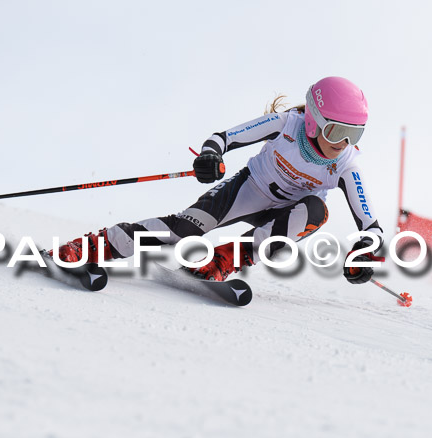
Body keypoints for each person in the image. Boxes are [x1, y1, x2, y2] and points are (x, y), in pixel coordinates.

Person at [52, 76, 384, 284]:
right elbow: (222, 138)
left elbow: (372, 227)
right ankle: (94, 246)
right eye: (336, 131)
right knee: (183, 230)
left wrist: (365, 253)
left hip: (288, 213)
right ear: (313, 120)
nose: (343, 143)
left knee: (317, 211)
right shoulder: (286, 124)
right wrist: (211, 156)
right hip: (248, 189)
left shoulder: (346, 163)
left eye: (355, 134)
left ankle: (225, 259)